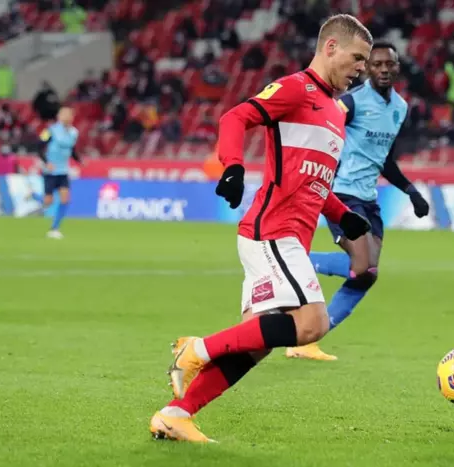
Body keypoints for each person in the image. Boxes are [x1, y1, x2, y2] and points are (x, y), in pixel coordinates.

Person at [149, 14, 373, 443]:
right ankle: (195, 348)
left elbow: (312, 181)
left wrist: (342, 213)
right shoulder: (296, 88)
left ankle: (175, 415)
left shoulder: (334, 112)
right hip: (273, 231)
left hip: (288, 236)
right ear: (330, 48)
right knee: (313, 323)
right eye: (357, 57)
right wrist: (233, 166)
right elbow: (234, 118)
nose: (361, 68)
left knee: (256, 343)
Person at [286, 43, 430, 361]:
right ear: (366, 68)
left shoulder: (400, 108)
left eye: (389, 64)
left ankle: (307, 341)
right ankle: (297, 261)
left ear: (397, 68)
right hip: (341, 193)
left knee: (367, 276)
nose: (384, 69)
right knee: (362, 266)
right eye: (377, 64)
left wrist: (411, 191)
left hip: (369, 199)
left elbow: (384, 160)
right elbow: (321, 134)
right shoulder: (350, 102)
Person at [35, 107, 81, 239]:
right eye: (64, 115)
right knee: (48, 201)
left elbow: (72, 149)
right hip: (50, 171)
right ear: (59, 117)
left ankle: (55, 228)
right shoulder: (50, 130)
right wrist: (46, 162)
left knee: (65, 199)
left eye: (69, 115)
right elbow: (38, 146)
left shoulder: (74, 132)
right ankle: (33, 196)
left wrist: (79, 160)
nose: (67, 117)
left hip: (63, 171)